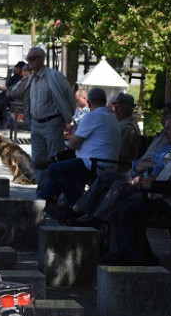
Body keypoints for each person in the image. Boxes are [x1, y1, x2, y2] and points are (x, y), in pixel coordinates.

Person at [103, 112, 171, 265]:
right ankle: (131, 252)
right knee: (122, 196)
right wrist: (153, 181)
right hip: (164, 196)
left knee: (130, 207)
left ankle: (135, 255)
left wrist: (153, 184)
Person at [35, 86, 119, 219]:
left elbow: (73, 144)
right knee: (60, 170)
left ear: (89, 102)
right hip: (106, 164)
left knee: (55, 170)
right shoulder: (111, 117)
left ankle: (81, 206)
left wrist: (75, 130)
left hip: (94, 164)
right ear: (104, 101)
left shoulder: (92, 116)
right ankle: (42, 201)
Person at [23, 46, 75, 182]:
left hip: (52, 122)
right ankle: (41, 190)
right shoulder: (31, 78)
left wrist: (68, 117)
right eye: (28, 58)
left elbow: (69, 96)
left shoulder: (54, 76)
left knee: (53, 158)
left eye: (33, 58)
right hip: (36, 123)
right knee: (37, 159)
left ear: (42, 59)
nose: (30, 61)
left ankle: (53, 192)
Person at [109, 92, 141, 165]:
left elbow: (120, 154)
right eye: (115, 107)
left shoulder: (128, 127)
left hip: (122, 169)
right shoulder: (124, 124)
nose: (115, 111)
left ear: (128, 109)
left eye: (119, 107)